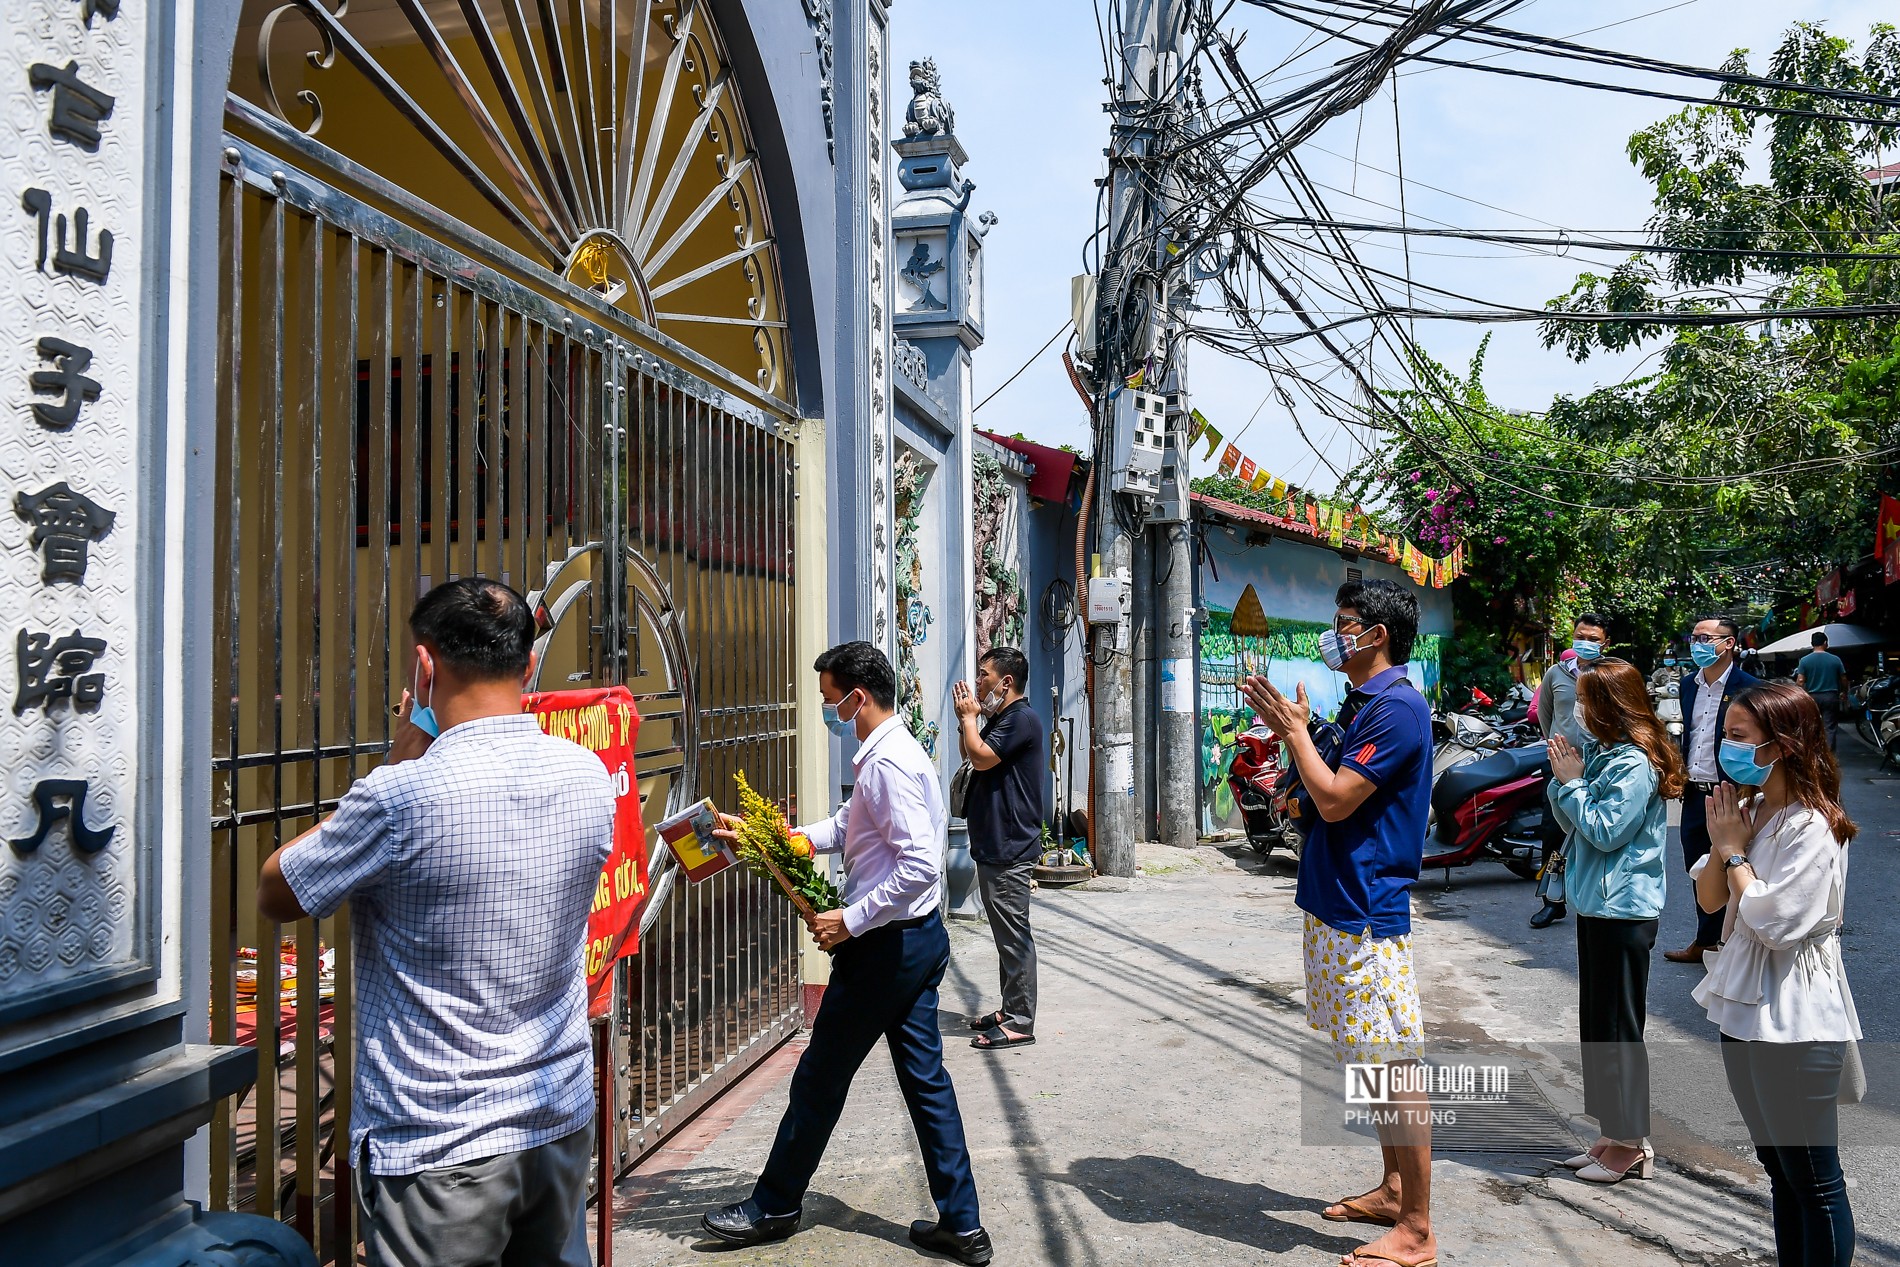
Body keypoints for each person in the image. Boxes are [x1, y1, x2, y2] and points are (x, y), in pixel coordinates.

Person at [257, 579, 614, 1267]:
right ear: (529, 665)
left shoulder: (399, 796)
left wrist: (400, 752)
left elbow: (278, 889)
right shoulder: (588, 776)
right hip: (557, 1116)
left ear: (424, 667)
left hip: (442, 1145)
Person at [701, 642, 991, 1265]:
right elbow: (854, 826)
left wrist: (849, 920)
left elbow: (917, 866)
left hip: (885, 949)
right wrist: (790, 838)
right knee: (926, 1082)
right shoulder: (891, 754)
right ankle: (962, 1225)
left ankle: (774, 1204)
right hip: (913, 943)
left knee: (819, 1078)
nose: (829, 709)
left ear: (858, 698)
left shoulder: (886, 764)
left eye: (832, 699)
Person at [1241, 579, 1436, 1267]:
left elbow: (1333, 799)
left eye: (1344, 623)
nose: (1335, 634)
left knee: (1395, 1068)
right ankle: (1391, 1189)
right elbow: (1320, 793)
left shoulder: (1399, 710)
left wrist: (1295, 735)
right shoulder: (1363, 704)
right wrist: (1296, 743)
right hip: (1334, 902)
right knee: (1368, 1060)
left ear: (1376, 634)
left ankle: (1416, 1227)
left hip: (1366, 912)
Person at [1693, 682, 1860, 1267]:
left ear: (1782, 745)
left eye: (1739, 738)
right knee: (1781, 1173)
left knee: (1814, 1179)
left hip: (1796, 1020)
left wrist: (1736, 854)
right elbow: (1712, 901)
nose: (1726, 749)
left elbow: (1773, 923)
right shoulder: (1752, 808)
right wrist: (1723, 846)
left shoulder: (1816, 824)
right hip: (1745, 1012)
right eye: (1724, 736)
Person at [1546, 659, 1682, 1185]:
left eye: (1585, 700)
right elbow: (1573, 823)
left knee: (1621, 1030)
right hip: (1596, 905)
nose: (1576, 709)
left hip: (1624, 910)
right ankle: (1611, 1134)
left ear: (1608, 706)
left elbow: (1604, 831)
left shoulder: (1634, 763)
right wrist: (1566, 783)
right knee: (1599, 1027)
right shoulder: (1603, 754)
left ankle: (1631, 1144)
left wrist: (1574, 784)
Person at [953, 646, 1047, 1052]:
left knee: (1014, 937)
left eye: (984, 675)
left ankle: (1020, 1021)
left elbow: (982, 756)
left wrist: (970, 719)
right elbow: (971, 754)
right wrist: (968, 723)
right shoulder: (1001, 719)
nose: (978, 683)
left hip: (1010, 846)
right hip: (995, 843)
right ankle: (1011, 1009)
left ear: (1006, 682)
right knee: (1005, 935)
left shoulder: (1020, 719)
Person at [1667, 616, 1762, 965]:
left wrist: (1748, 789)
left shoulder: (1750, 687)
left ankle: (1737, 946)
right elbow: (1692, 736)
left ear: (1729, 643)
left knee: (1738, 865)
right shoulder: (1687, 685)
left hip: (1733, 791)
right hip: (1695, 792)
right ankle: (1706, 940)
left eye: (1707, 638)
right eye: (1694, 638)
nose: (1698, 645)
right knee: (1699, 868)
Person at [1530, 616, 1609, 929]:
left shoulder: (1610, 674)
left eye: (1593, 637)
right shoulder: (1556, 674)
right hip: (1561, 769)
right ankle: (1553, 901)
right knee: (1553, 834)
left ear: (1605, 642)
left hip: (1602, 770)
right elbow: (1546, 716)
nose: (1585, 642)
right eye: (1580, 635)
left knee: (1599, 833)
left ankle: (1596, 899)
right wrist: (1560, 752)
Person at [1794, 632, 1846, 751]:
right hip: (1831, 696)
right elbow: (1843, 678)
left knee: (1812, 725)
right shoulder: (1835, 659)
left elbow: (1800, 681)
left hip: (1812, 697)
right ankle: (1829, 755)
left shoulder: (1804, 660)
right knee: (1830, 727)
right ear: (1825, 643)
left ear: (1812, 644)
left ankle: (1815, 753)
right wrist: (1844, 692)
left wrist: (1800, 696)